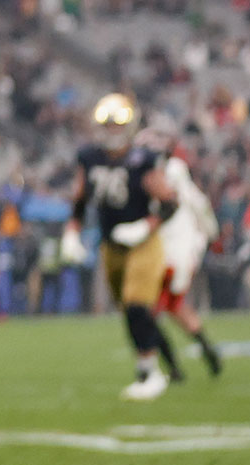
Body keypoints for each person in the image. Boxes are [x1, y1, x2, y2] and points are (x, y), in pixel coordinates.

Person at [61, 93, 179, 402]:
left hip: (142, 244)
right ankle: (157, 366)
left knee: (137, 302)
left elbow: (169, 201)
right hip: (111, 246)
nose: (113, 130)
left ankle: (150, 373)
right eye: (107, 124)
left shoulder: (143, 160)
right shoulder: (89, 157)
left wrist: (146, 226)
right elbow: (80, 198)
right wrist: (71, 233)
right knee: (130, 310)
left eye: (118, 124)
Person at [149, 132, 222, 381]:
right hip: (182, 252)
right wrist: (211, 234)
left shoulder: (161, 174)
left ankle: (173, 370)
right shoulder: (177, 172)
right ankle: (207, 348)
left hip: (168, 254)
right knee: (173, 305)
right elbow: (199, 204)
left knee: (146, 312)